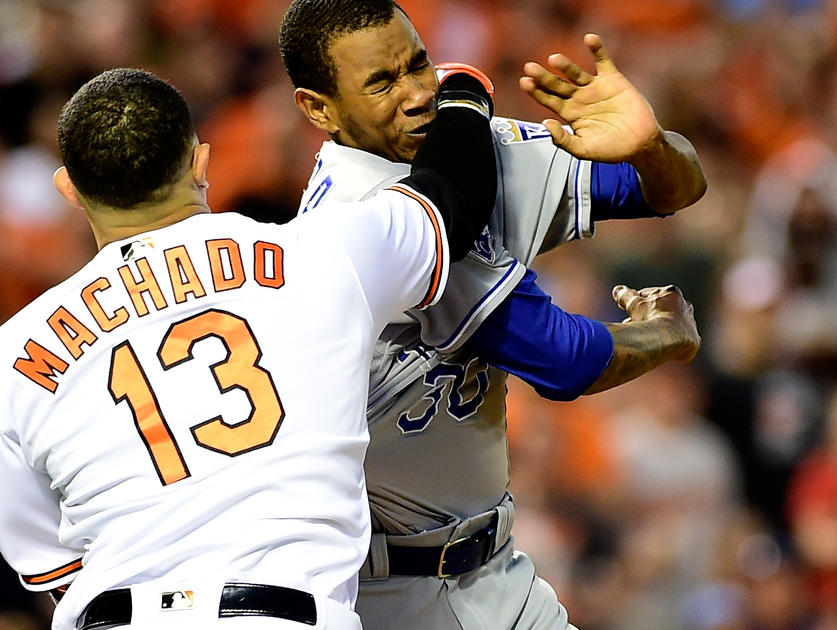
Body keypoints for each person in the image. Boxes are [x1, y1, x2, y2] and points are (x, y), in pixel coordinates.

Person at [0, 66, 499, 630]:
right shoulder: (320, 253)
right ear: (201, 163)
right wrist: (463, 89)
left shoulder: (13, 354)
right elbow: (453, 198)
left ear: (69, 191)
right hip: (283, 616)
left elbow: (52, 567)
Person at [278, 1, 706, 628]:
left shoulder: (468, 147)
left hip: (498, 565)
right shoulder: (358, 223)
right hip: (385, 595)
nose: (418, 94)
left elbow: (671, 188)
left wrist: (649, 147)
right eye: (381, 83)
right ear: (319, 108)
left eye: (417, 65)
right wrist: (667, 333)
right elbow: (564, 361)